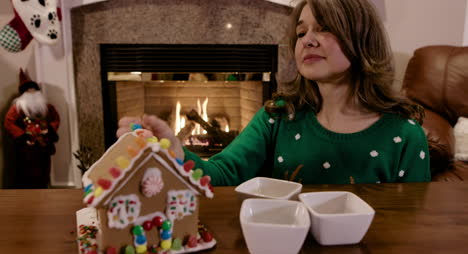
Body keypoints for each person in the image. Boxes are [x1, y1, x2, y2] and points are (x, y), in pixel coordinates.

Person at [117, 0, 430, 185]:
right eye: (301, 32)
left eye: (325, 28)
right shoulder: (278, 116)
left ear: (362, 40)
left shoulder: (404, 135)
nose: (308, 39)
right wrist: (176, 152)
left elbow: (415, 221)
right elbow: (222, 173)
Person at [4, 69, 60, 188]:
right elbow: (8, 122)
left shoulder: (47, 107)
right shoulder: (17, 108)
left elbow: (56, 119)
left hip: (44, 145)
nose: (32, 92)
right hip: (27, 147)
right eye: (29, 91)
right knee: (26, 174)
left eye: (34, 90)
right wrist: (22, 135)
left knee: (44, 172)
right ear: (23, 93)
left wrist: (50, 130)